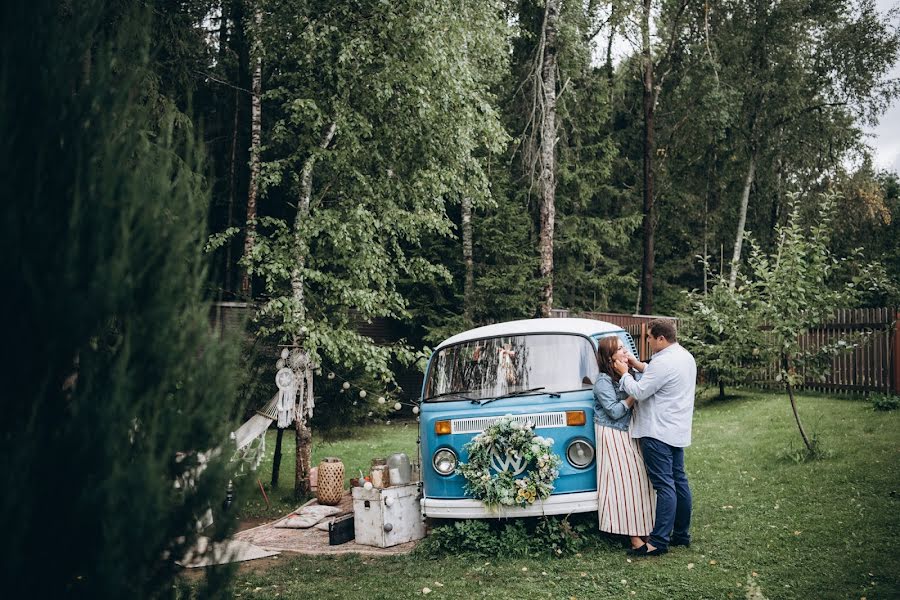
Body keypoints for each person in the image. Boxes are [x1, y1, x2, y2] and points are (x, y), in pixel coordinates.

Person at [614, 318, 696, 557]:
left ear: (661, 338)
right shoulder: (684, 356)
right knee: (679, 481)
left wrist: (623, 373)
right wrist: (637, 365)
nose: (647, 341)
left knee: (664, 485)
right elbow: (659, 376)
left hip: (657, 431)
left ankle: (658, 542)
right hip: (676, 429)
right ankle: (681, 534)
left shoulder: (663, 362)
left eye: (649, 337)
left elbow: (640, 391)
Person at [592, 336, 656, 550]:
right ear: (610, 357)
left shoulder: (628, 372)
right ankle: (634, 537)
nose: (625, 351)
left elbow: (650, 378)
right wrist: (633, 396)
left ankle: (645, 529)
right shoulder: (603, 381)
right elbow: (614, 411)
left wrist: (630, 371)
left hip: (631, 431)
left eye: (624, 346)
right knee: (625, 484)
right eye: (620, 349)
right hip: (612, 433)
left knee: (641, 481)